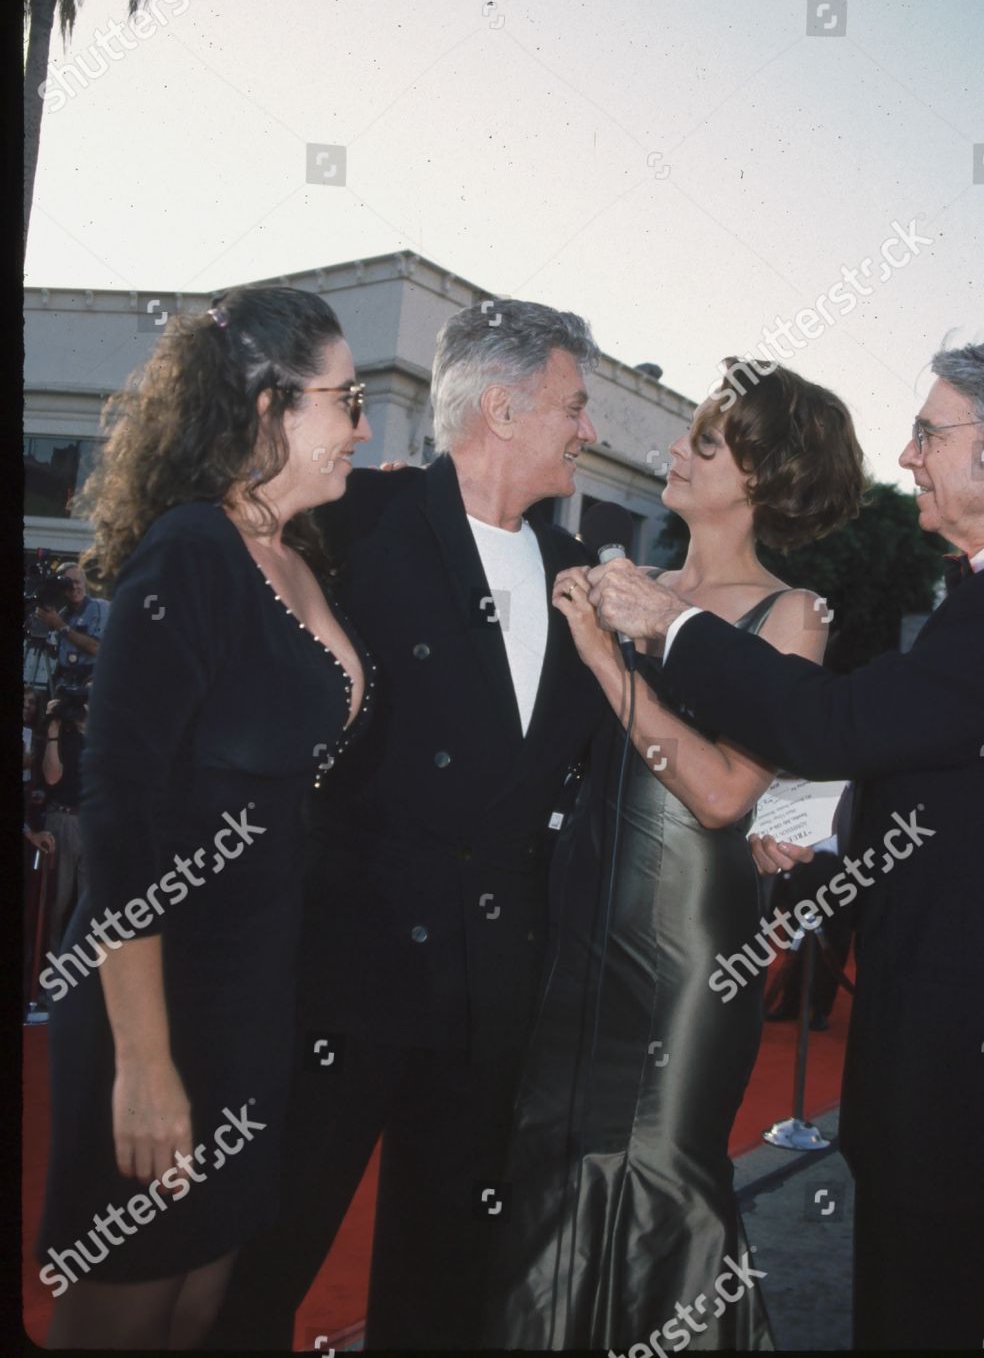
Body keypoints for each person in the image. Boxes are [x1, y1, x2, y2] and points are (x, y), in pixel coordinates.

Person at [212, 298, 608, 1351]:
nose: (589, 428)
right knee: (267, 1259)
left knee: (446, 1282)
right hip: (342, 971)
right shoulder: (357, 524)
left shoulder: (583, 579)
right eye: (574, 405)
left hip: (495, 994)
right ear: (505, 407)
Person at [581, 340, 984, 1350]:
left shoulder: (796, 611)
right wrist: (814, 841)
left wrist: (664, 629)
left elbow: (831, 728)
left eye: (931, 433)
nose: (909, 453)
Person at [484, 358, 866, 1351]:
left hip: (692, 947)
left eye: (705, 442)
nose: (676, 453)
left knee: (661, 1167)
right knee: (552, 1165)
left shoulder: (791, 613)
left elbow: (723, 792)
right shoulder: (624, 583)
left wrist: (609, 666)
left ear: (761, 473)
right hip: (576, 925)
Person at [36, 285, 374, 1349]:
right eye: (347, 401)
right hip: (162, 997)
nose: (363, 426)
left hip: (253, 997)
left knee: (199, 1305)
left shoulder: (295, 554)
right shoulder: (190, 551)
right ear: (271, 407)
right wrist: (143, 1060)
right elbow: (120, 806)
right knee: (127, 1307)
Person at [38, 687, 89, 952]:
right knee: (57, 901)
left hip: (94, 824)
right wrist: (53, 727)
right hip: (63, 820)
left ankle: (82, 970)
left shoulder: (108, 736)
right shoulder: (62, 735)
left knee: (88, 904)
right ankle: (50, 965)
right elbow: (51, 778)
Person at [36, 561, 110, 692]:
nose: (74, 587)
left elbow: (96, 648)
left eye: (77, 582)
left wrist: (60, 626)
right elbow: (63, 653)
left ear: (84, 583)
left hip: (90, 682)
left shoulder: (100, 608)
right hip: (65, 683)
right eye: (68, 584)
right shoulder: (62, 615)